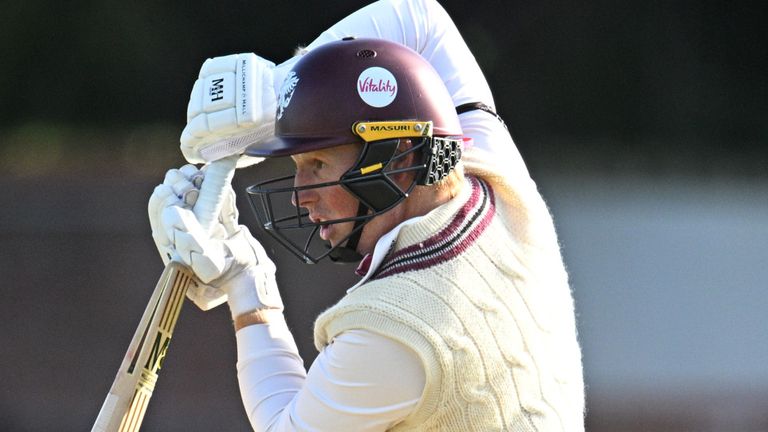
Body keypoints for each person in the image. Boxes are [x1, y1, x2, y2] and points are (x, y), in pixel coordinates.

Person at [148, 0, 585, 430]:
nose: (300, 196)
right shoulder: (500, 185)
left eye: (318, 165)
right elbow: (422, 16)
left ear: (398, 160)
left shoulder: (393, 330)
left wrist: (248, 286)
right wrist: (276, 96)